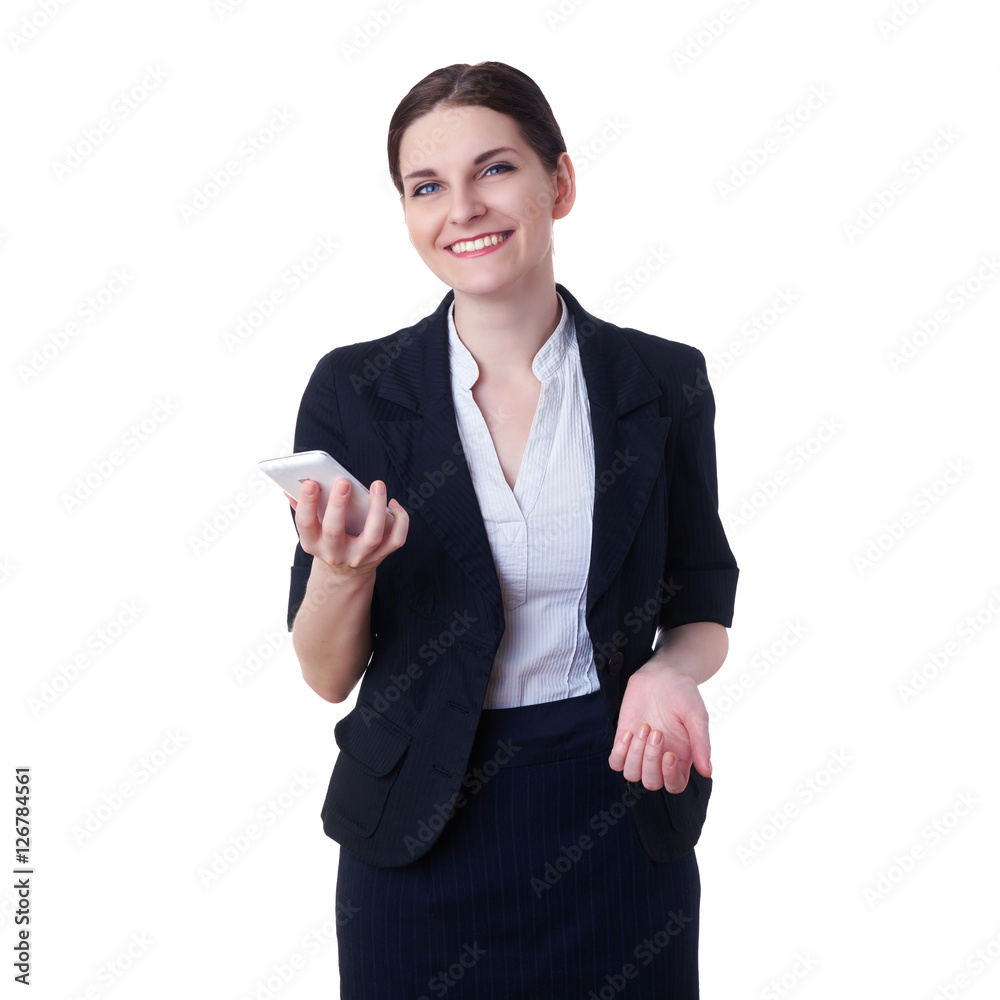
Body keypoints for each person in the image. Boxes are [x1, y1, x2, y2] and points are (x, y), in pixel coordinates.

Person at [284, 60, 739, 1000]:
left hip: (618, 806)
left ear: (558, 183)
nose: (463, 209)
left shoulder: (664, 382)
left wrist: (669, 670)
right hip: (417, 833)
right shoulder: (355, 391)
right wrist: (343, 572)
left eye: (494, 169)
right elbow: (327, 676)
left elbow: (703, 602)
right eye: (426, 186)